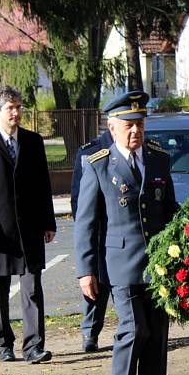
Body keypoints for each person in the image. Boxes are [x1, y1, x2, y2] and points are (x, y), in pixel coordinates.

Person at [74, 91, 178, 375]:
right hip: (121, 264)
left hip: (160, 264)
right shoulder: (98, 162)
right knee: (135, 329)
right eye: (128, 125)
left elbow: (170, 210)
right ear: (112, 126)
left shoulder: (158, 158)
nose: (135, 131)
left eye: (140, 124)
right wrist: (85, 270)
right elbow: (86, 222)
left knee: (157, 334)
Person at [0, 85, 57, 364]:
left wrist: (48, 222)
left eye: (19, 107)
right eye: (10, 108)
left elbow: (44, 185)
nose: (16, 113)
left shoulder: (33, 142)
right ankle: (3, 343)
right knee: (0, 290)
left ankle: (33, 347)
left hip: (29, 229)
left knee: (32, 288)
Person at [71, 129, 114, 353]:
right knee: (94, 284)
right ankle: (90, 331)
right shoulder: (91, 152)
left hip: (122, 230)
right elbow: (78, 196)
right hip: (98, 230)